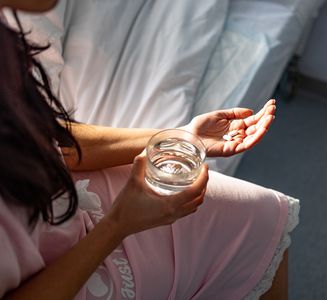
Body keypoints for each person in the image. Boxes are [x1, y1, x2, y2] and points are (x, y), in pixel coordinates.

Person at [0, 1, 299, 299]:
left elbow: (48, 136)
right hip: (56, 268)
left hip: (59, 193)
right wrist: (118, 224)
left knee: (261, 218)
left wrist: (176, 136)